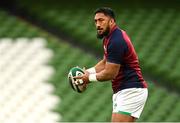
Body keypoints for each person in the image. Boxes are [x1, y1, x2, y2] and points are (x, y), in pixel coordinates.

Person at [74, 7, 148, 122]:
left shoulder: (116, 41)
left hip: (131, 90)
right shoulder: (109, 37)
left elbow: (110, 73)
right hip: (124, 90)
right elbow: (105, 63)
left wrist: (88, 78)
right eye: (96, 21)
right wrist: (88, 72)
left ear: (111, 21)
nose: (98, 24)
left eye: (101, 20)